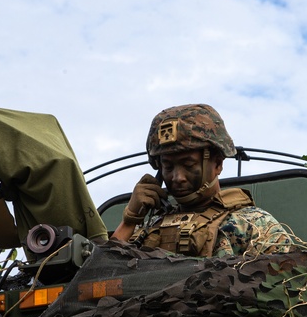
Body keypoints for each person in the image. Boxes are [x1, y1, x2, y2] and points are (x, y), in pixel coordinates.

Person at [111, 104, 293, 258]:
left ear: (218, 163)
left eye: (189, 164)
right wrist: (130, 220)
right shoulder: (148, 227)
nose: (177, 178)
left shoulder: (252, 224)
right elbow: (99, 275)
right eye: (168, 167)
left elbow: (286, 287)